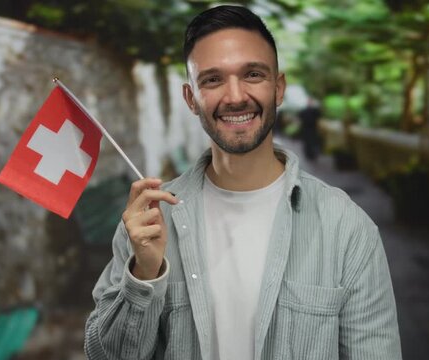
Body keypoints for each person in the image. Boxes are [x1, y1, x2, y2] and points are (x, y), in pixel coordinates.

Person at [84, 5, 401, 360]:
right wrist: (144, 274)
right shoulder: (148, 223)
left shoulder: (347, 227)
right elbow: (105, 355)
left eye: (252, 74)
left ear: (278, 88)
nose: (235, 97)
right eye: (213, 79)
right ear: (191, 99)